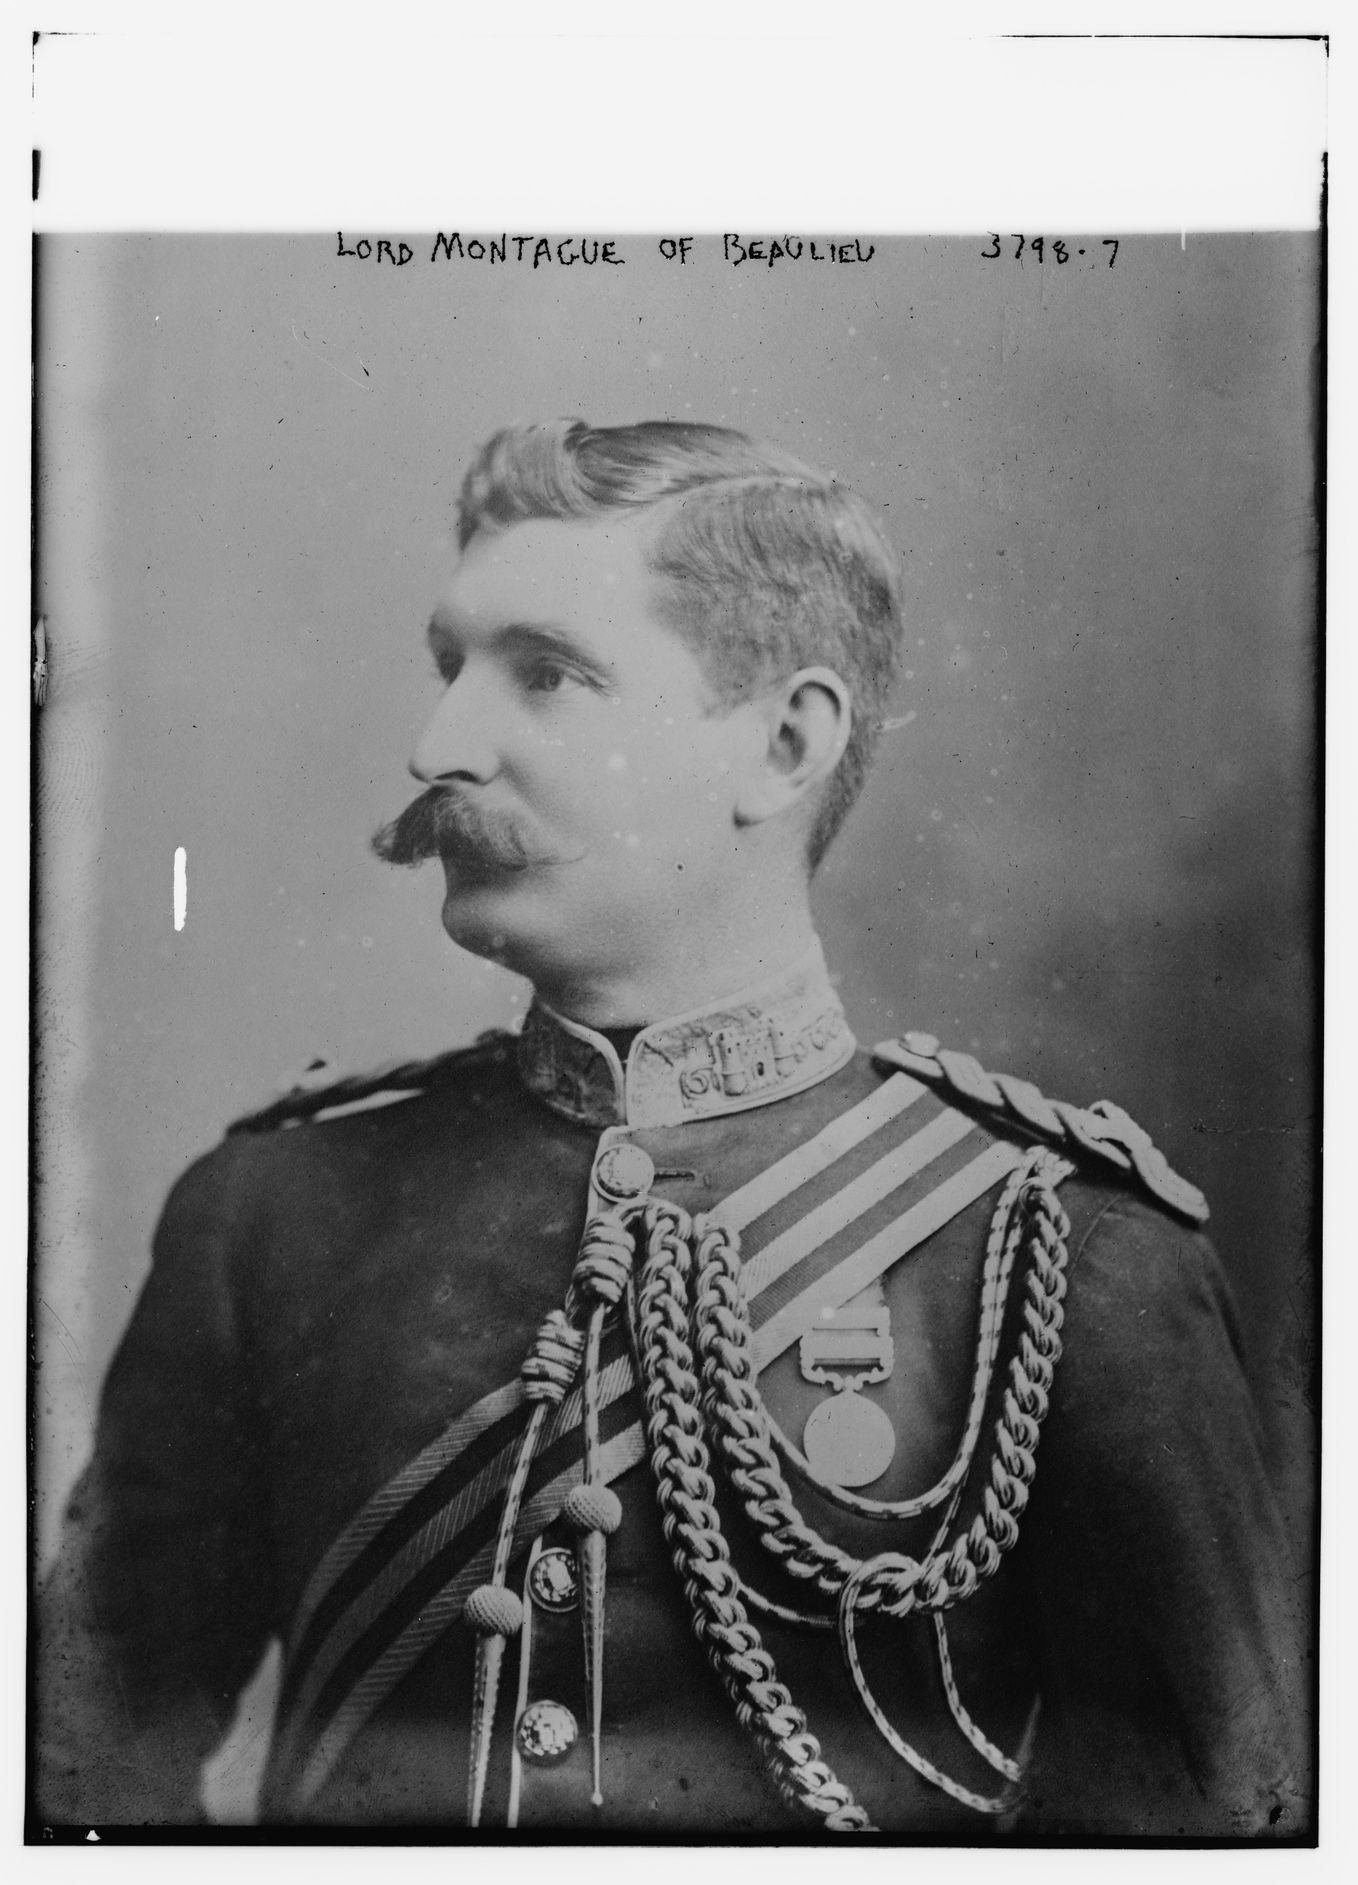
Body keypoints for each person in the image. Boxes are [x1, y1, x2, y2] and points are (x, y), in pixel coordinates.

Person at [35, 420, 1306, 1836]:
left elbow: (1209, 1816)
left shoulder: (1060, 1251)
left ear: (784, 744)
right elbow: (79, 1774)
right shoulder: (267, 1216)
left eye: (544, 675)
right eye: (451, 669)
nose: (437, 746)